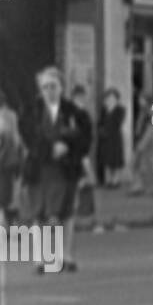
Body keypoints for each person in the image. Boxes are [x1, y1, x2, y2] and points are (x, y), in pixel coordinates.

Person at [18, 66, 91, 273]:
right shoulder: (31, 110)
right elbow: (28, 136)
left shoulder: (75, 112)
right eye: (45, 86)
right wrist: (49, 149)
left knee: (66, 213)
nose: (49, 90)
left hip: (65, 168)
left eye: (53, 86)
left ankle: (65, 256)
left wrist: (67, 145)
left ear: (62, 87)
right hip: (39, 168)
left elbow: (85, 136)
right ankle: (41, 259)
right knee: (39, 214)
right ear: (39, 89)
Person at [129, 90, 153, 197]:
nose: (138, 101)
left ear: (146, 100)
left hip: (151, 140)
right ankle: (141, 186)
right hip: (146, 140)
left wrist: (141, 144)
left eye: (141, 99)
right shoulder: (144, 110)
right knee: (141, 163)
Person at [0, 86, 24, 224]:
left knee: (4, 199)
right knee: (6, 198)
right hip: (7, 162)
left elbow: (10, 138)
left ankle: (6, 228)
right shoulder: (9, 115)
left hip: (4, 162)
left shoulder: (6, 115)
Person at [96, 87, 126, 187]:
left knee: (116, 159)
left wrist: (110, 110)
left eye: (112, 98)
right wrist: (100, 130)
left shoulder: (120, 109)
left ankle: (116, 180)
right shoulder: (104, 109)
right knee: (107, 159)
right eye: (108, 98)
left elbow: (118, 123)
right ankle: (109, 180)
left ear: (116, 99)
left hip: (115, 137)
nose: (110, 100)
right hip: (105, 138)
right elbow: (99, 122)